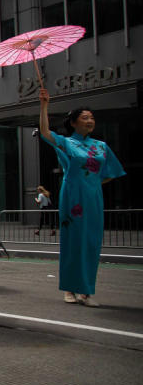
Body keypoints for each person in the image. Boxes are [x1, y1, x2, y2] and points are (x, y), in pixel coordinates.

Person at [38, 89, 125, 306]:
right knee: (73, 241)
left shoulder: (101, 146)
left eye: (92, 117)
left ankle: (86, 291)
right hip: (72, 196)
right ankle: (69, 288)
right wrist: (44, 105)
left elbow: (110, 174)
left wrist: (92, 184)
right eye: (85, 118)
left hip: (93, 197)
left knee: (92, 242)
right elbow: (45, 132)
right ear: (74, 123)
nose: (90, 120)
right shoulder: (67, 143)